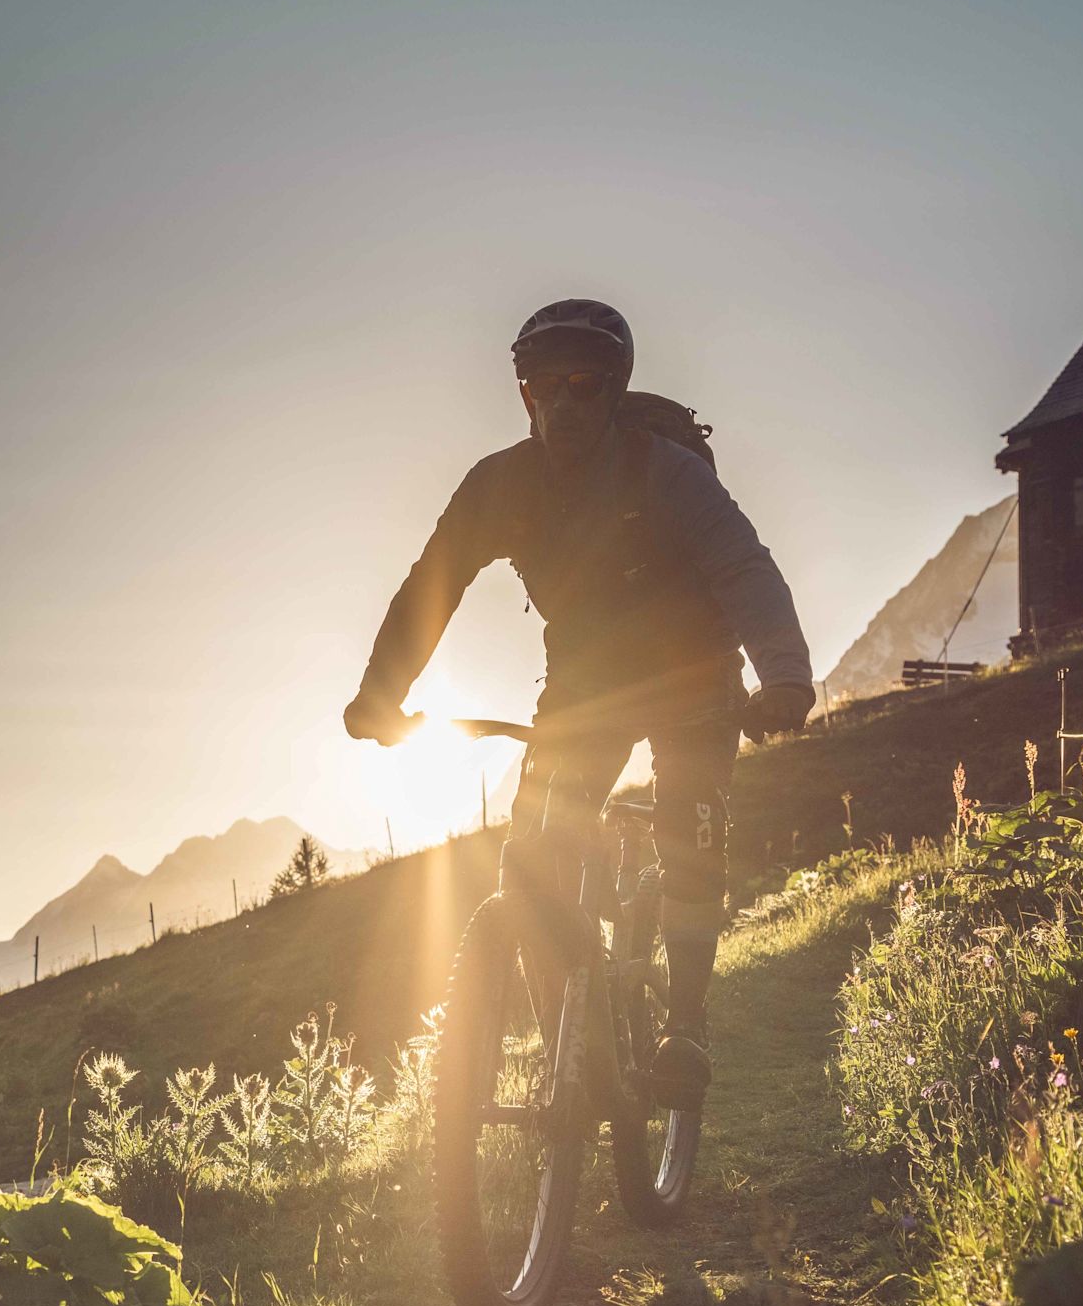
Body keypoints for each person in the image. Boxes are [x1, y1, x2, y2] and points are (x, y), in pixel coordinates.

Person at [345, 299, 817, 1105]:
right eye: (542, 388)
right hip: (587, 681)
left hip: (692, 675)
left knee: (691, 832)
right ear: (525, 395)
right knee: (528, 864)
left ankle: (686, 1026)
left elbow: (744, 568)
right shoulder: (500, 485)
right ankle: (574, 1053)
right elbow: (433, 584)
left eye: (583, 387)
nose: (561, 405)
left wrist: (784, 678)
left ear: (613, 390)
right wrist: (381, 695)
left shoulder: (662, 472)